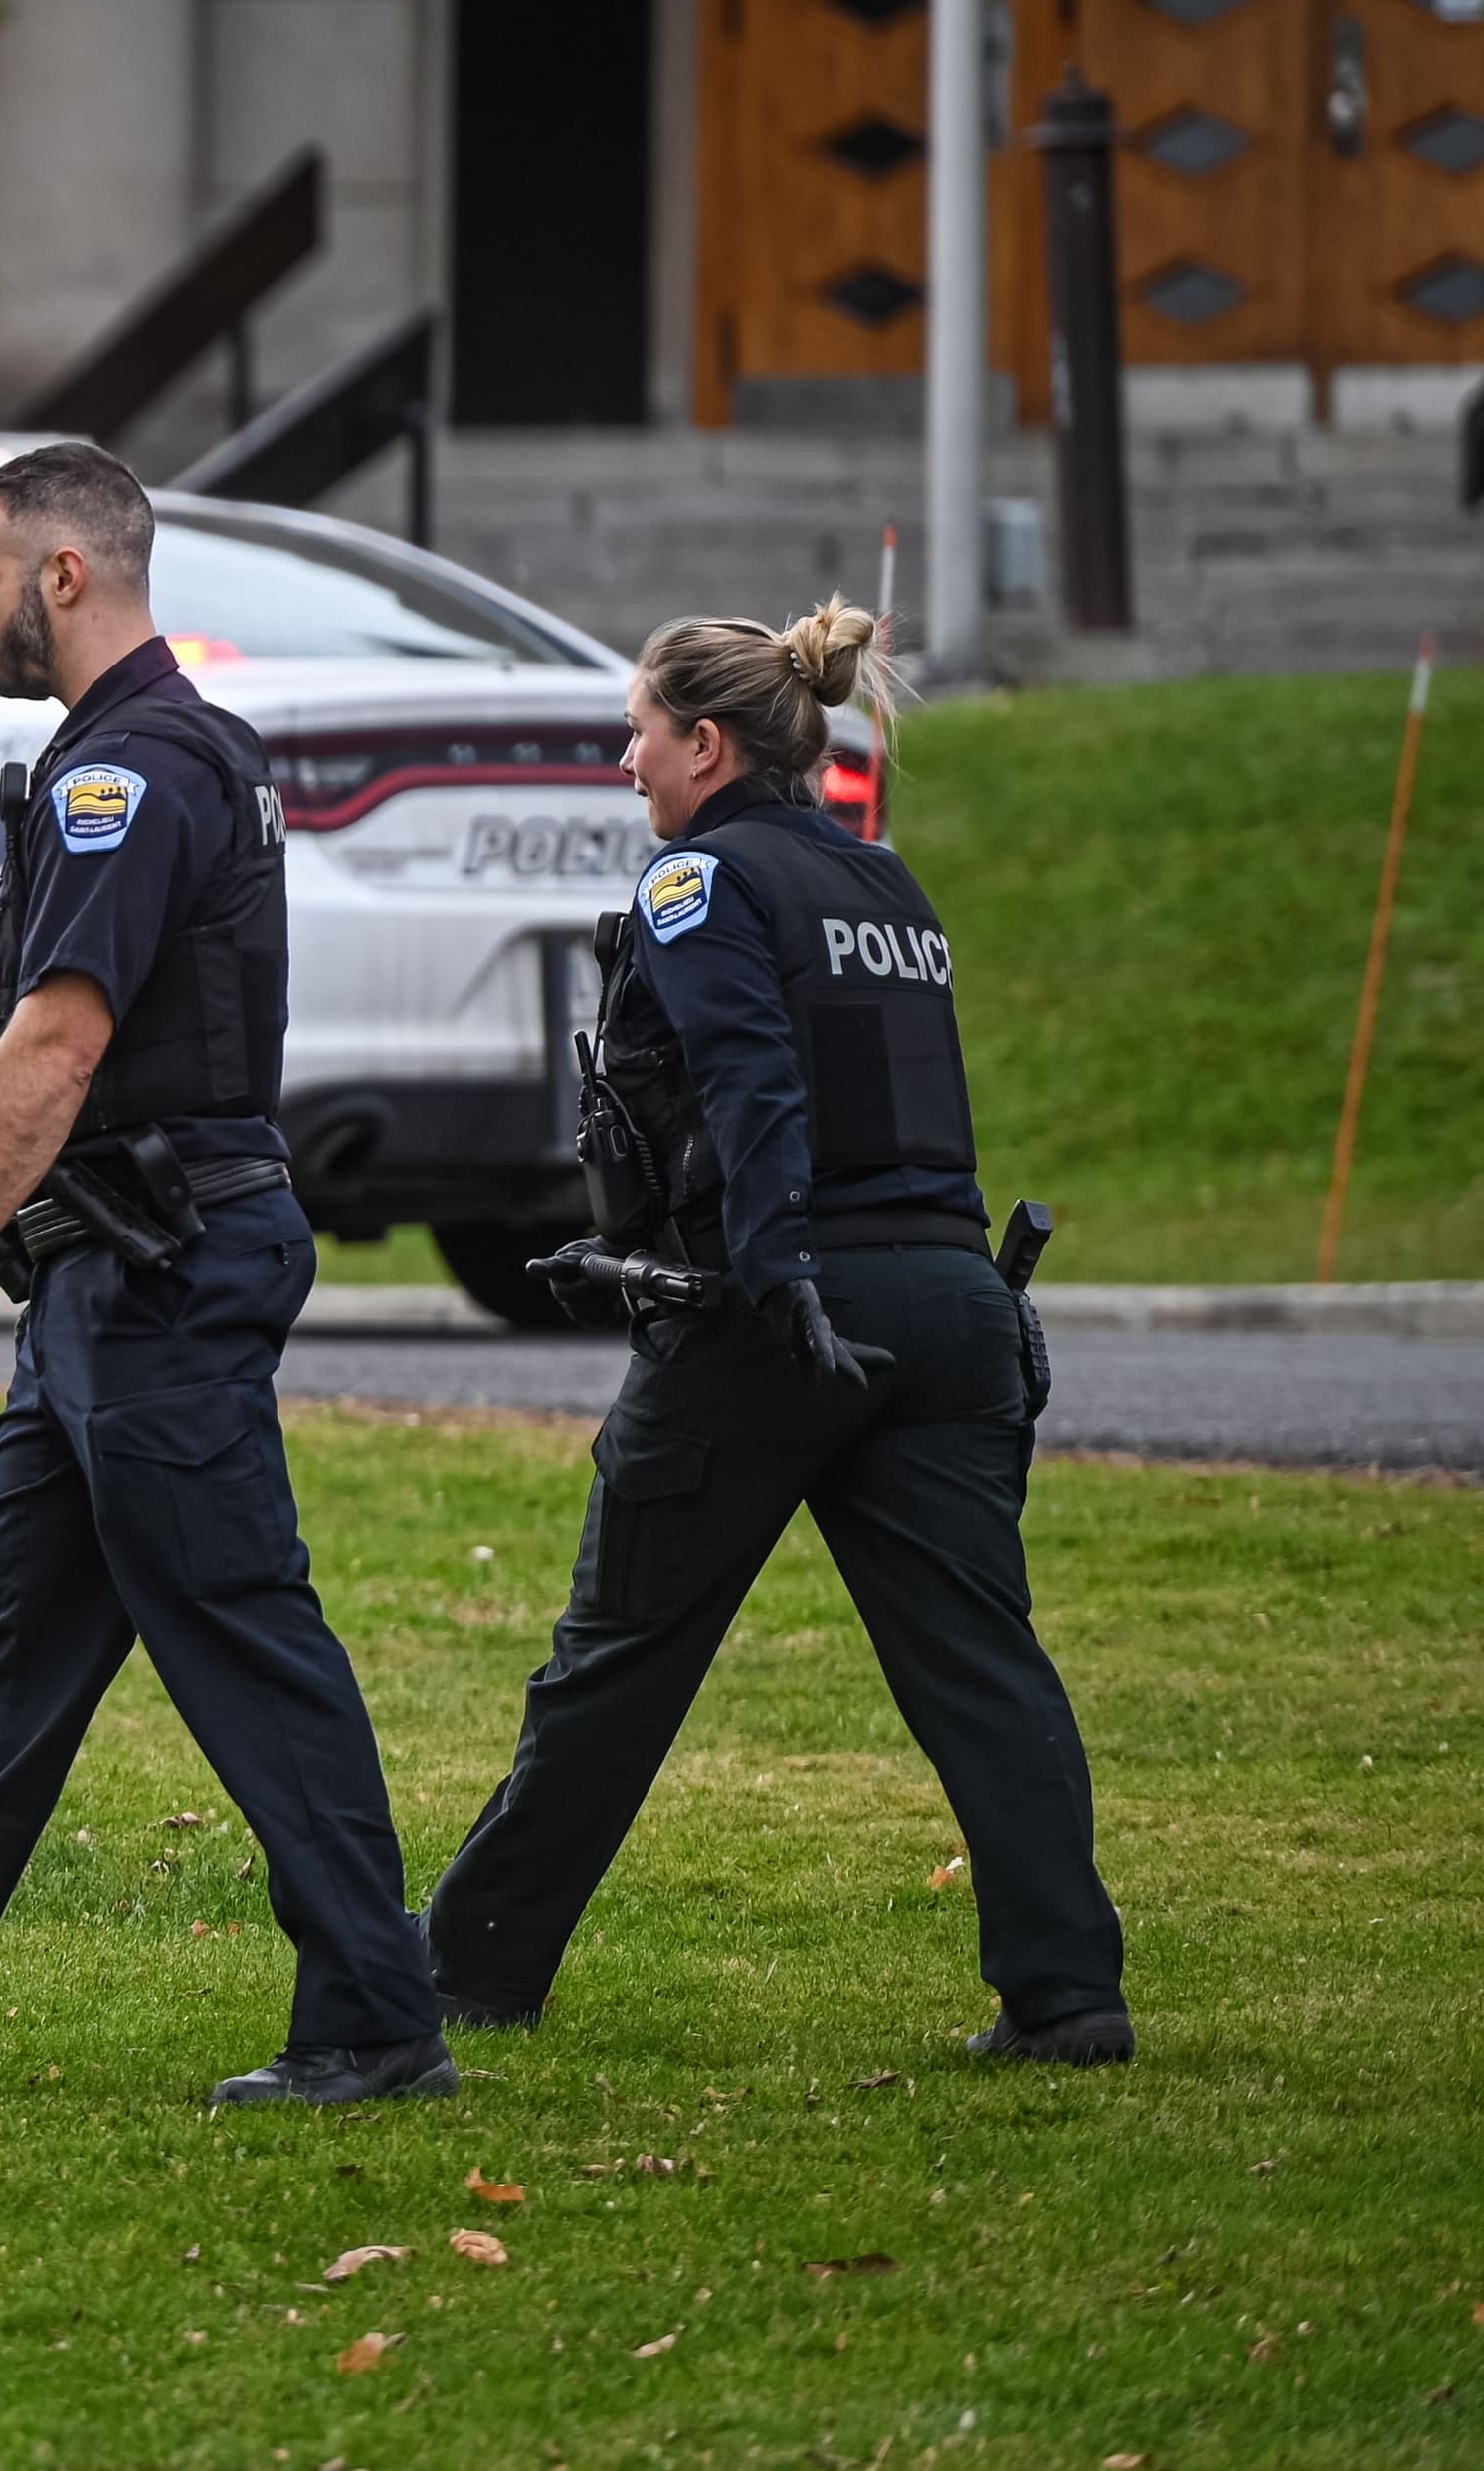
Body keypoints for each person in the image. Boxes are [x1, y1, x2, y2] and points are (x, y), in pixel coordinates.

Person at [0, 442, 455, 2107]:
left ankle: (377, 2016)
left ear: (66, 574)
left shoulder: (133, 769)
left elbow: (58, 1038)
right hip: (111, 1276)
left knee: (245, 1635)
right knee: (23, 1655)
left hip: (157, 1271)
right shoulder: (163, 754)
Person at [421, 598, 1131, 2065]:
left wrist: (771, 1269)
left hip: (779, 1313)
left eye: (637, 732)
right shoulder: (889, 885)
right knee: (982, 1663)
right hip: (949, 1308)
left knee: (614, 1659)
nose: (625, 761)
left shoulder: (700, 883)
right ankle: (1069, 1996)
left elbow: (752, 1077)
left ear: (705, 740)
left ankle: (468, 1977)